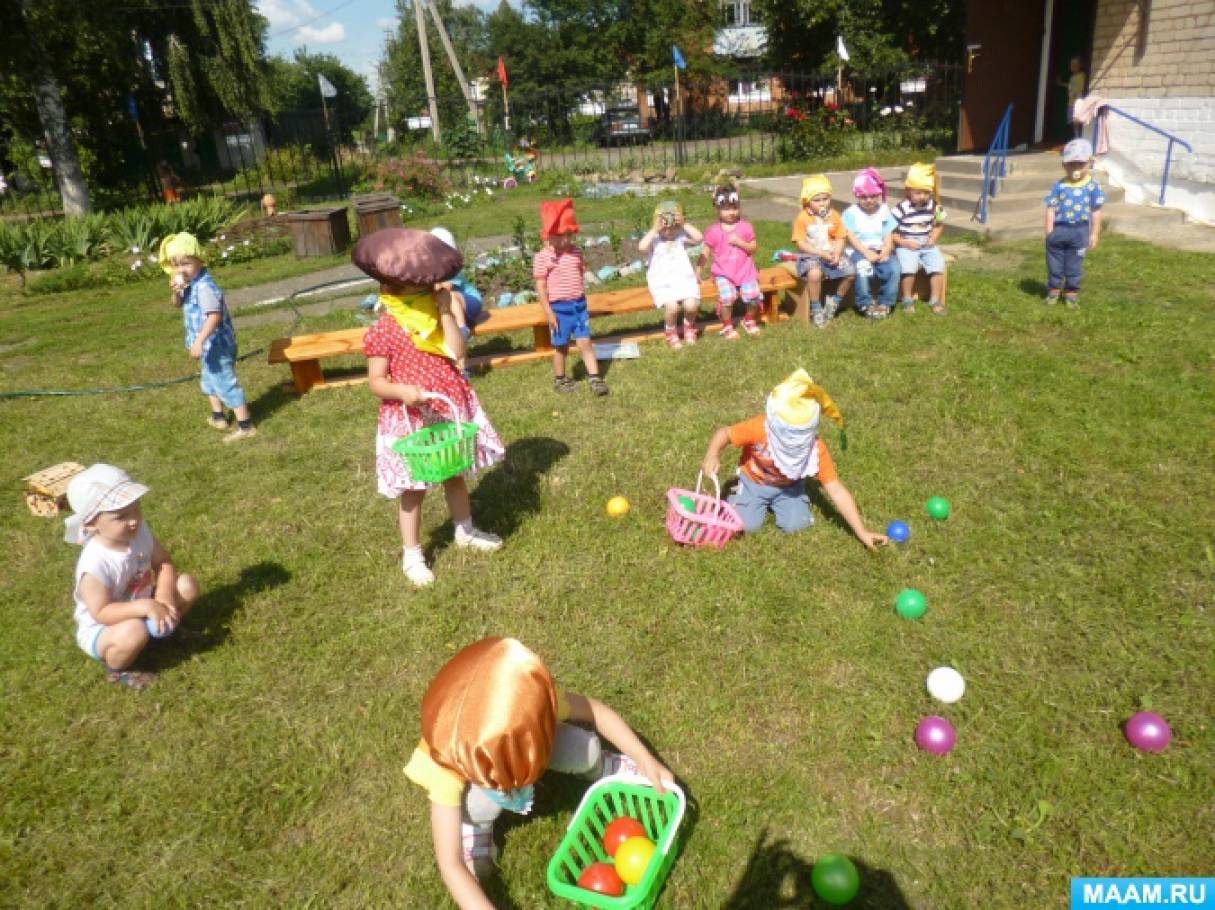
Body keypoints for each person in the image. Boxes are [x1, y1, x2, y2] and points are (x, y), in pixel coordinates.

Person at [404, 637, 675, 908]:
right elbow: (451, 864)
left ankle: (605, 767)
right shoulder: (447, 759)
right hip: (475, 778)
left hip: (517, 737)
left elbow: (595, 712)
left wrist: (643, 758)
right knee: (479, 806)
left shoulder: (527, 705)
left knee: (585, 749)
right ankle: (476, 828)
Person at [356, 228, 506, 587]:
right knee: (415, 487)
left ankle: (465, 530)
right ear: (392, 286)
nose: (427, 292)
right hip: (410, 417)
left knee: (454, 472)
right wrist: (401, 391)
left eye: (428, 287)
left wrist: (445, 314)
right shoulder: (386, 328)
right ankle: (412, 554)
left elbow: (457, 352)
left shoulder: (438, 311)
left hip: (445, 405)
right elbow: (376, 381)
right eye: (419, 288)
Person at [701, 369, 889, 549]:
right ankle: (739, 494)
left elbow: (835, 489)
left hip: (789, 488)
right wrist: (712, 453)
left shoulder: (815, 449)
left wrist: (861, 531)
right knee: (746, 526)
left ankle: (782, 504)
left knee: (796, 526)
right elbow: (725, 433)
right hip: (753, 483)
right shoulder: (759, 428)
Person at [65, 464, 200, 690]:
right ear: (90, 524)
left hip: (145, 606)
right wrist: (146, 606)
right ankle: (119, 669)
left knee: (187, 585)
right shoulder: (95, 564)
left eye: (136, 508)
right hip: (107, 628)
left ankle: (167, 631)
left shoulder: (139, 531)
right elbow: (102, 612)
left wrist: (164, 598)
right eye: (120, 516)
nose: (134, 520)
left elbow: (163, 563)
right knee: (133, 631)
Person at [160, 233, 256, 442]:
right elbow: (177, 305)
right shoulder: (190, 284)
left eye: (186, 263)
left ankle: (246, 426)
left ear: (200, 260)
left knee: (225, 382)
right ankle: (218, 417)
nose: (180, 270)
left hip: (216, 344)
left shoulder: (204, 287)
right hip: (207, 346)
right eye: (176, 266)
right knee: (210, 379)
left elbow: (214, 316)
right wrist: (175, 292)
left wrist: (199, 341)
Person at [533, 198, 609, 395]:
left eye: (569, 235)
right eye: (559, 236)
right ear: (548, 235)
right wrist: (548, 312)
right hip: (559, 311)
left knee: (585, 342)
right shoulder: (543, 257)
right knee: (561, 346)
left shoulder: (575, 252)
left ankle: (595, 378)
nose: (565, 240)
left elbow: (579, 272)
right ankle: (560, 379)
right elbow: (541, 286)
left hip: (579, 307)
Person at [1044, 137, 1104, 308]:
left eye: (1080, 164)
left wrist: (1094, 233)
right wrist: (1049, 231)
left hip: (1080, 231)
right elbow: (1050, 208)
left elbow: (1096, 210)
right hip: (1059, 229)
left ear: (1090, 163)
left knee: (1074, 264)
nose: (1075, 168)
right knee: (1054, 263)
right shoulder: (1059, 185)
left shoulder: (1092, 186)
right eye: (1071, 164)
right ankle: (1053, 290)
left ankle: (1071, 292)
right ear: (1064, 165)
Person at [792, 174, 856, 328]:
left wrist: (837, 252)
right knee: (814, 274)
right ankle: (816, 307)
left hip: (831, 253)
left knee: (851, 272)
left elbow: (841, 236)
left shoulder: (834, 215)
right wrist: (821, 254)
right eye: (817, 200)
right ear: (807, 201)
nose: (822, 203)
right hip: (811, 255)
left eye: (825, 199)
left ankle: (834, 302)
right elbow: (800, 243)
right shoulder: (802, 217)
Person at [699, 184, 762, 339]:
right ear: (717, 209)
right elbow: (705, 253)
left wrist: (741, 243)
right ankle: (727, 325)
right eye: (726, 209)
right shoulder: (713, 231)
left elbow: (753, 248)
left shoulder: (745, 227)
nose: (731, 212)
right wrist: (698, 272)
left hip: (745, 271)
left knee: (753, 296)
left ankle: (749, 320)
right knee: (727, 297)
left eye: (734, 207)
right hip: (724, 274)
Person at [638, 200, 704, 349]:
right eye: (665, 228)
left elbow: (699, 238)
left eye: (673, 228)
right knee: (673, 307)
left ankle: (689, 327)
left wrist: (684, 224)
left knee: (691, 305)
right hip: (663, 283)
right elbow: (641, 247)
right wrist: (655, 230)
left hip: (683, 280)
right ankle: (671, 332)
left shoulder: (680, 237)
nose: (669, 232)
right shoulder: (654, 240)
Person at [841, 167, 899, 320]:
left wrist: (886, 249)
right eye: (864, 197)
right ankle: (864, 303)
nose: (869, 200)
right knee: (863, 267)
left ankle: (886, 302)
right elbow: (851, 236)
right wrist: (866, 252)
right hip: (859, 249)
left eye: (873, 196)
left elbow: (887, 232)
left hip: (880, 248)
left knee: (894, 268)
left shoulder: (884, 210)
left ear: (879, 194)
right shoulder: (851, 212)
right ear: (857, 195)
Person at [891, 162, 947, 315]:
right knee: (908, 268)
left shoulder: (934, 206)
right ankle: (907, 298)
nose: (923, 197)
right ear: (908, 191)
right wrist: (903, 242)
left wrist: (933, 239)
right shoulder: (901, 208)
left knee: (938, 265)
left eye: (926, 192)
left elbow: (939, 224)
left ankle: (935, 299)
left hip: (927, 244)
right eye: (918, 193)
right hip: (906, 244)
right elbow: (890, 232)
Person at [429, 227, 485, 377]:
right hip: (449, 309)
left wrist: (431, 285)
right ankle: (462, 368)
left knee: (450, 296)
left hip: (469, 303)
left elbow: (446, 287)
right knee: (448, 330)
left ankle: (463, 327)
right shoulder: (432, 270)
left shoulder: (452, 269)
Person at [1058, 57, 1087, 138]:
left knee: (1077, 120)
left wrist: (1077, 94)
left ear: (1080, 66)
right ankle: (1076, 135)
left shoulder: (1082, 75)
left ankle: (1078, 136)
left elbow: (1082, 87)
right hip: (1071, 102)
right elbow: (1070, 85)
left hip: (1078, 102)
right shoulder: (1071, 78)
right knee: (1072, 121)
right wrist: (1061, 83)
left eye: (1075, 65)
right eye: (1071, 65)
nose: (1072, 67)